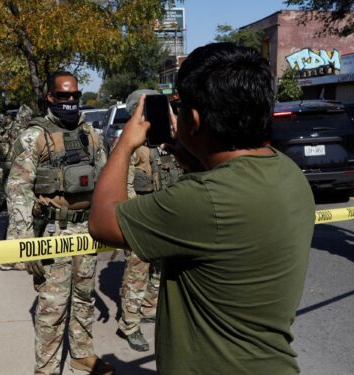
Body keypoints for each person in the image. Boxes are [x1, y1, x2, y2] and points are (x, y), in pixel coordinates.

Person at [89, 43, 315, 374]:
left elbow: (102, 221)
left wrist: (124, 143)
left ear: (193, 119)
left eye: (180, 109)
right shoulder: (287, 171)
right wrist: (193, 154)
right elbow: (228, 199)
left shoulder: (205, 199)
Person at [5, 71, 113, 375]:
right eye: (63, 96)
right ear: (50, 97)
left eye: (74, 96)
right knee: (52, 306)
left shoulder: (90, 134)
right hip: (53, 233)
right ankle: (47, 368)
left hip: (85, 231)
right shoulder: (34, 136)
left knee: (84, 296)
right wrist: (25, 240)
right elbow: (18, 188)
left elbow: (106, 180)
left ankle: (82, 354)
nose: (70, 101)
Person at [114, 89, 181, 352]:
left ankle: (148, 308)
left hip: (165, 218)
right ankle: (129, 324)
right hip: (141, 220)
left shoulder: (169, 141)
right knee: (136, 274)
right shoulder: (130, 145)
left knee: (160, 269)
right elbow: (124, 186)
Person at [0, 104, 34, 272]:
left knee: (14, 218)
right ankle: (9, 260)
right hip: (18, 181)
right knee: (16, 220)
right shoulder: (25, 134)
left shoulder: (9, 129)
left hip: (10, 179)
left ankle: (12, 258)